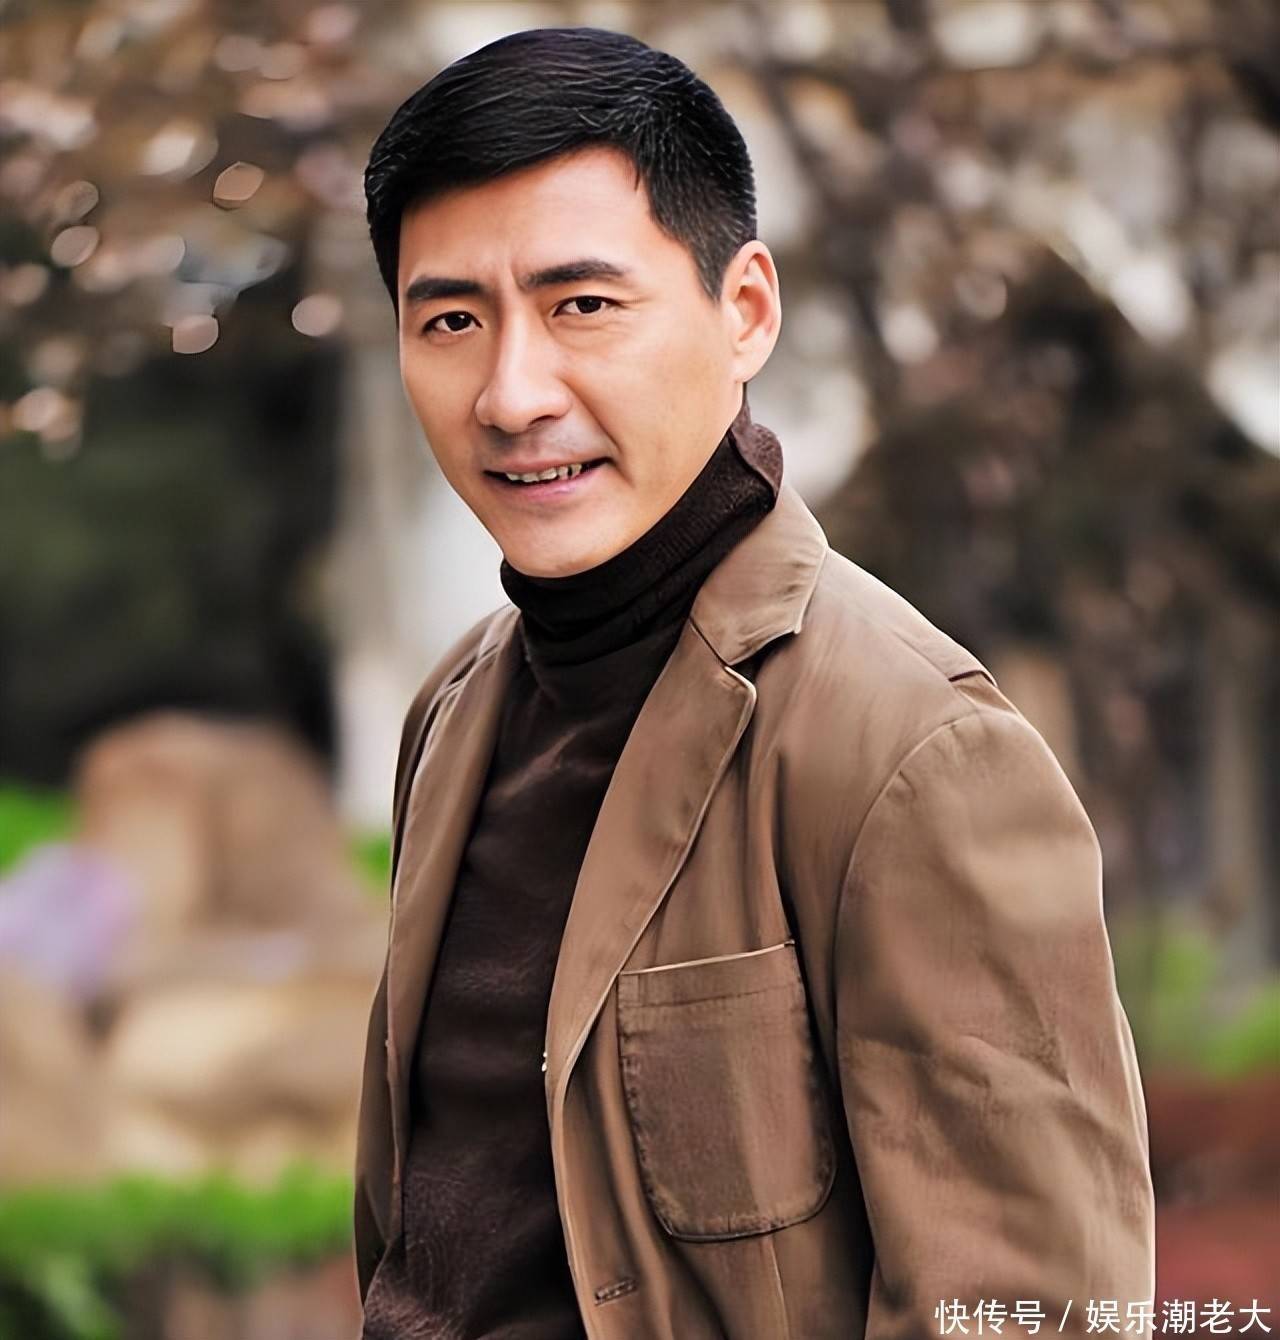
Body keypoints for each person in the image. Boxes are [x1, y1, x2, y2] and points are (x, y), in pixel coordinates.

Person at [353, 25, 1155, 1340]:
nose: (511, 394)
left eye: (582, 306)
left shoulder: (913, 751)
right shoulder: (452, 714)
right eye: (451, 320)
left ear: (746, 312)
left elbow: (1033, 1310)